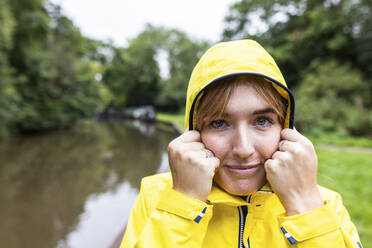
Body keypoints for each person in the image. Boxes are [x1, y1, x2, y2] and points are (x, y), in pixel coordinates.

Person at [120, 40, 363, 247]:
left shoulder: (323, 204)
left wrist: (306, 210)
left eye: (262, 121)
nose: (244, 149)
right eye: (219, 123)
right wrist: (183, 205)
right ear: (193, 132)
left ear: (285, 127)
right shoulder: (157, 198)